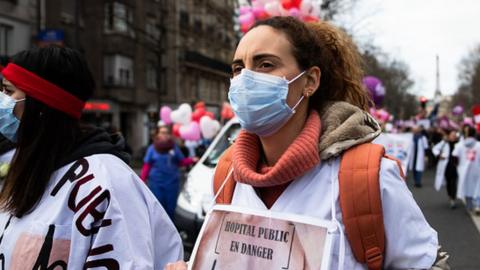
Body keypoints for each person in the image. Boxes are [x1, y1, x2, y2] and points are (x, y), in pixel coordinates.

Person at [166, 17, 447, 270]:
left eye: (266, 64)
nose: (246, 79)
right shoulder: (227, 173)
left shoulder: (367, 177)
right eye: (238, 68)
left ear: (309, 81)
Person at [0, 47, 183, 269]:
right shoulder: (25, 164)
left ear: (42, 104)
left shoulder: (107, 183)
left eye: (8, 91)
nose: (2, 100)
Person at [141, 125, 196, 219]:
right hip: (156, 183)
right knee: (158, 208)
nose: (165, 135)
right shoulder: (152, 148)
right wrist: (142, 180)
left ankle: (170, 231)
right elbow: (147, 165)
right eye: (162, 132)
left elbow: (181, 162)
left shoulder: (174, 147)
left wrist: (192, 160)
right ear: (157, 135)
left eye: (167, 133)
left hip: (172, 184)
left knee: (171, 209)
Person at [453, 125, 480, 214]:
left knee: (467, 187)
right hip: (477, 169)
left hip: (464, 170)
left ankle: (469, 206)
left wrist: (458, 166)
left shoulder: (460, 145)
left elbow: (455, 157)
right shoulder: (478, 145)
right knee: (477, 187)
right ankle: (477, 205)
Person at [433, 130, 459, 208]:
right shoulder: (444, 143)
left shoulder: (459, 143)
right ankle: (450, 196)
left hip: (456, 165)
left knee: (453, 182)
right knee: (449, 182)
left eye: (455, 135)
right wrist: (439, 155)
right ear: (449, 136)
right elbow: (435, 149)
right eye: (452, 135)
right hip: (447, 165)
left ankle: (453, 199)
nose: (454, 137)